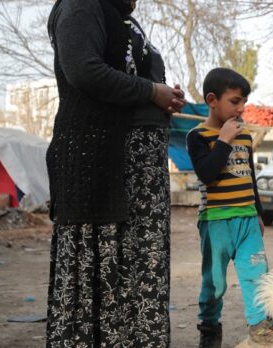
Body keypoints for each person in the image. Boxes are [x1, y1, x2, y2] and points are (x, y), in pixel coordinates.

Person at [46, 0, 185, 346]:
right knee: (106, 267)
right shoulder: (83, 5)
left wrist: (164, 96)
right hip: (106, 169)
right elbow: (83, 69)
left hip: (137, 174)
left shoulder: (123, 18)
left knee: (137, 268)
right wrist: (153, 91)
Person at [186, 68, 273, 347]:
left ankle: (260, 326)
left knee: (257, 276)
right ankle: (210, 329)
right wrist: (223, 140)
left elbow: (250, 178)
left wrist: (258, 213)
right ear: (212, 100)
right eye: (235, 101)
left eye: (243, 102)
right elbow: (207, 174)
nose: (241, 108)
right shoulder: (198, 136)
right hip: (216, 223)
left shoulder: (246, 137)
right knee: (214, 283)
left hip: (247, 221)